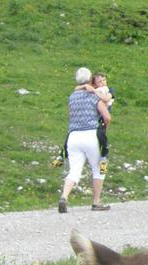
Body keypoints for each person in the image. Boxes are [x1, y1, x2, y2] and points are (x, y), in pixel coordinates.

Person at [58, 67, 112, 213]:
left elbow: (70, 115)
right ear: (90, 80)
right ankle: (96, 202)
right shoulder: (95, 97)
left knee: (74, 170)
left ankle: (64, 196)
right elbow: (107, 117)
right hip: (91, 136)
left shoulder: (72, 97)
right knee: (99, 168)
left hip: (73, 137)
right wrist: (103, 128)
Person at [79, 72, 115, 175]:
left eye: (104, 80)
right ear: (94, 83)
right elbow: (77, 89)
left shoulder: (109, 90)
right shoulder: (92, 90)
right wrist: (86, 86)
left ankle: (103, 160)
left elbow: (106, 98)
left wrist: (94, 90)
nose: (103, 83)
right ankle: (61, 157)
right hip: (91, 117)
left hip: (102, 118)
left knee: (102, 137)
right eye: (100, 81)